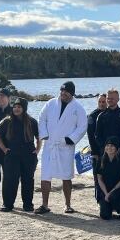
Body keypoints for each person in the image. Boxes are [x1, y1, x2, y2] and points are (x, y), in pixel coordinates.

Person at [35, 81, 88, 214]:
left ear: (72, 93)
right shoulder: (51, 103)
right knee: (45, 175)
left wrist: (70, 139)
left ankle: (68, 205)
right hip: (50, 145)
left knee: (66, 176)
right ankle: (45, 204)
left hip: (66, 147)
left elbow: (82, 127)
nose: (63, 93)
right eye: (62, 91)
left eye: (67, 92)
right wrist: (44, 134)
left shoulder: (78, 108)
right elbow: (42, 118)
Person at [0, 98, 41, 212]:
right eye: (14, 107)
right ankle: (7, 205)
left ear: (24, 108)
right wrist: (4, 149)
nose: (16, 109)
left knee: (28, 180)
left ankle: (28, 205)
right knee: (10, 180)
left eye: (19, 107)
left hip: (29, 155)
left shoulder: (32, 121)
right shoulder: (7, 121)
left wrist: (38, 150)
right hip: (12, 155)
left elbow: (39, 137)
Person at [95, 136, 120, 220]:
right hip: (104, 190)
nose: (109, 148)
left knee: (113, 197)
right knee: (105, 216)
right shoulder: (101, 160)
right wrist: (106, 193)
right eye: (107, 145)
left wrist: (111, 192)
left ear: (117, 148)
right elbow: (99, 179)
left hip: (117, 189)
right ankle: (109, 207)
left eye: (112, 146)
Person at [95, 88, 120, 155]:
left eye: (112, 98)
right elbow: (97, 135)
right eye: (108, 98)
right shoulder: (101, 116)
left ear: (118, 99)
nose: (109, 100)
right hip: (106, 151)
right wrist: (105, 148)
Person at [87, 93, 108, 200]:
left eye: (103, 102)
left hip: (109, 151)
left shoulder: (110, 113)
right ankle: (99, 199)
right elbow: (90, 137)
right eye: (99, 101)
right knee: (97, 176)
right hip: (97, 152)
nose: (101, 104)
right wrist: (95, 153)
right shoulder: (92, 115)